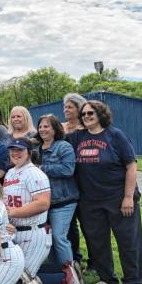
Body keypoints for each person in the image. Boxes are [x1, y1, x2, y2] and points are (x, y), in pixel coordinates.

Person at [67, 100, 142, 284]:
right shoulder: (78, 137)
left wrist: (128, 197)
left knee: (128, 241)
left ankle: (133, 283)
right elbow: (52, 136)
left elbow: (131, 165)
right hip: (90, 200)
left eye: (90, 113)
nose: (86, 117)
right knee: (97, 241)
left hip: (118, 198)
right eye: (83, 114)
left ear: (101, 114)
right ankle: (107, 278)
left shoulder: (115, 135)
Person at [36, 115, 84, 284]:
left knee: (59, 236)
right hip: (44, 201)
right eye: (40, 127)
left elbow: (67, 170)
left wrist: (43, 169)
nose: (42, 130)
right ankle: (58, 274)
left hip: (64, 200)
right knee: (48, 238)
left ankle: (71, 275)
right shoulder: (36, 149)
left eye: (46, 126)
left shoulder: (63, 147)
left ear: (55, 128)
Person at [2, 138, 51, 284]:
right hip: (15, 232)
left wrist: (12, 213)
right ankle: (61, 271)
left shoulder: (34, 173)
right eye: (12, 150)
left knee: (20, 281)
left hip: (34, 233)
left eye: (20, 150)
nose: (15, 153)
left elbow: (43, 203)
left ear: (29, 153)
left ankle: (63, 276)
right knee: (10, 276)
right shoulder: (10, 172)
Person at [61, 92, 88, 271]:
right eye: (65, 107)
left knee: (87, 222)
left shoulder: (86, 129)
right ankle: (74, 257)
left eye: (70, 107)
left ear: (79, 109)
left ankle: (95, 259)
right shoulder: (61, 128)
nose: (66, 110)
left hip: (84, 178)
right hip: (66, 181)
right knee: (70, 223)